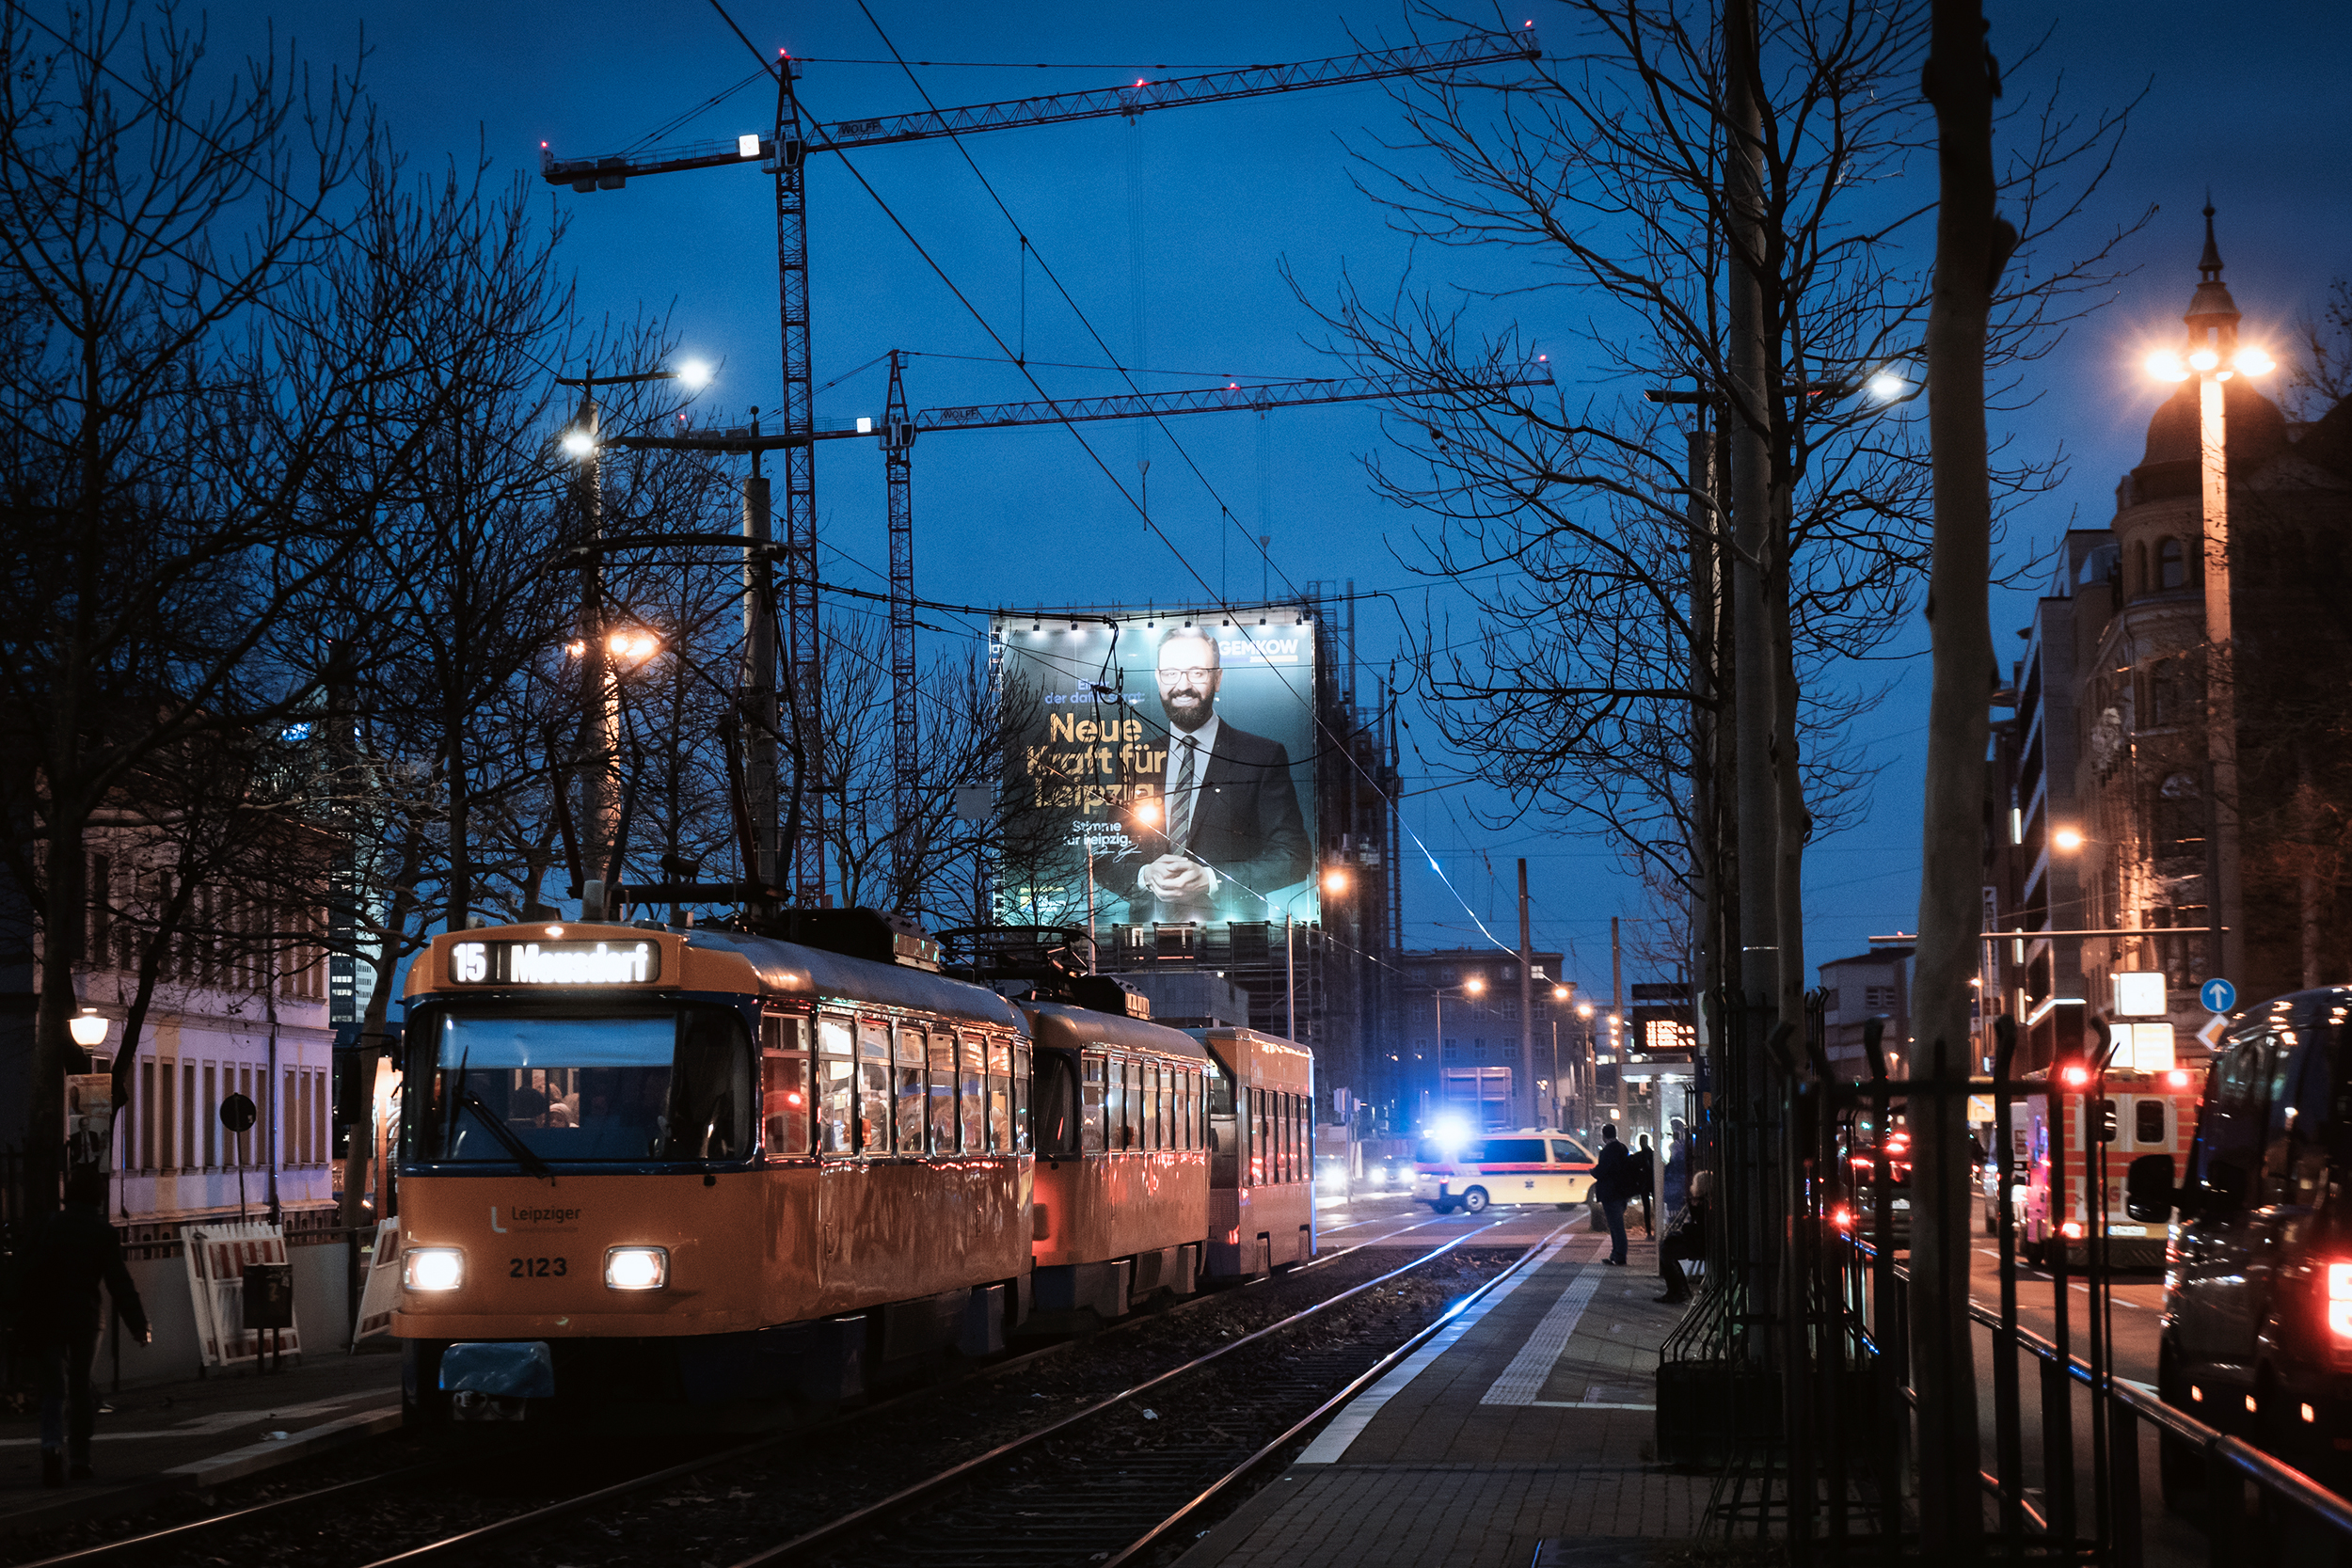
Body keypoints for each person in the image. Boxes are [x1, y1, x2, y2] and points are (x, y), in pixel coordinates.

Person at [1131, 626, 1310, 922]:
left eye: (1197, 673)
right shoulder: (1136, 760)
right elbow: (1104, 855)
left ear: (1218, 678)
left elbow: (1294, 857)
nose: (1182, 685)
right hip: (1139, 942)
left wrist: (1214, 879)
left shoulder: (1262, 757)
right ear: (1157, 678)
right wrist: (1144, 875)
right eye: (1171, 673)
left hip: (1235, 941)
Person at [21, 1166, 150, 1486]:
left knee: (53, 1389)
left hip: (47, 1317)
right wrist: (138, 1324)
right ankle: (80, 1458)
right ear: (98, 1197)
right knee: (79, 1388)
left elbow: (24, 1267)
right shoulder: (102, 1232)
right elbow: (118, 1282)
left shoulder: (49, 1225)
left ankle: (51, 1448)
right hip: (85, 1319)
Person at [1657, 1169, 1712, 1305]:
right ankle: (1676, 1291)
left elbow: (1701, 1227)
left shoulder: (1705, 1204)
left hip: (1701, 1243)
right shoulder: (1704, 1201)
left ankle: (1679, 1291)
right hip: (1700, 1241)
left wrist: (1686, 1228)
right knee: (1666, 1247)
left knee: (1667, 1250)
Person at [1591, 1124, 1635, 1265]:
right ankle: (1616, 1254)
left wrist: (1593, 1171)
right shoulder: (1623, 1148)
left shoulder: (1607, 1151)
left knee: (1616, 1226)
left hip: (1610, 1194)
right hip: (1622, 1192)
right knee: (1617, 1225)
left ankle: (1619, 1255)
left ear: (1604, 1136)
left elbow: (1602, 1171)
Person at [1634, 1132, 1659, 1238]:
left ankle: (1649, 1232)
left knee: (1647, 1208)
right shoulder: (1653, 1154)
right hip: (1653, 1182)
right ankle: (1657, 1230)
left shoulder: (1639, 1156)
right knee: (1656, 1208)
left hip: (1644, 1184)